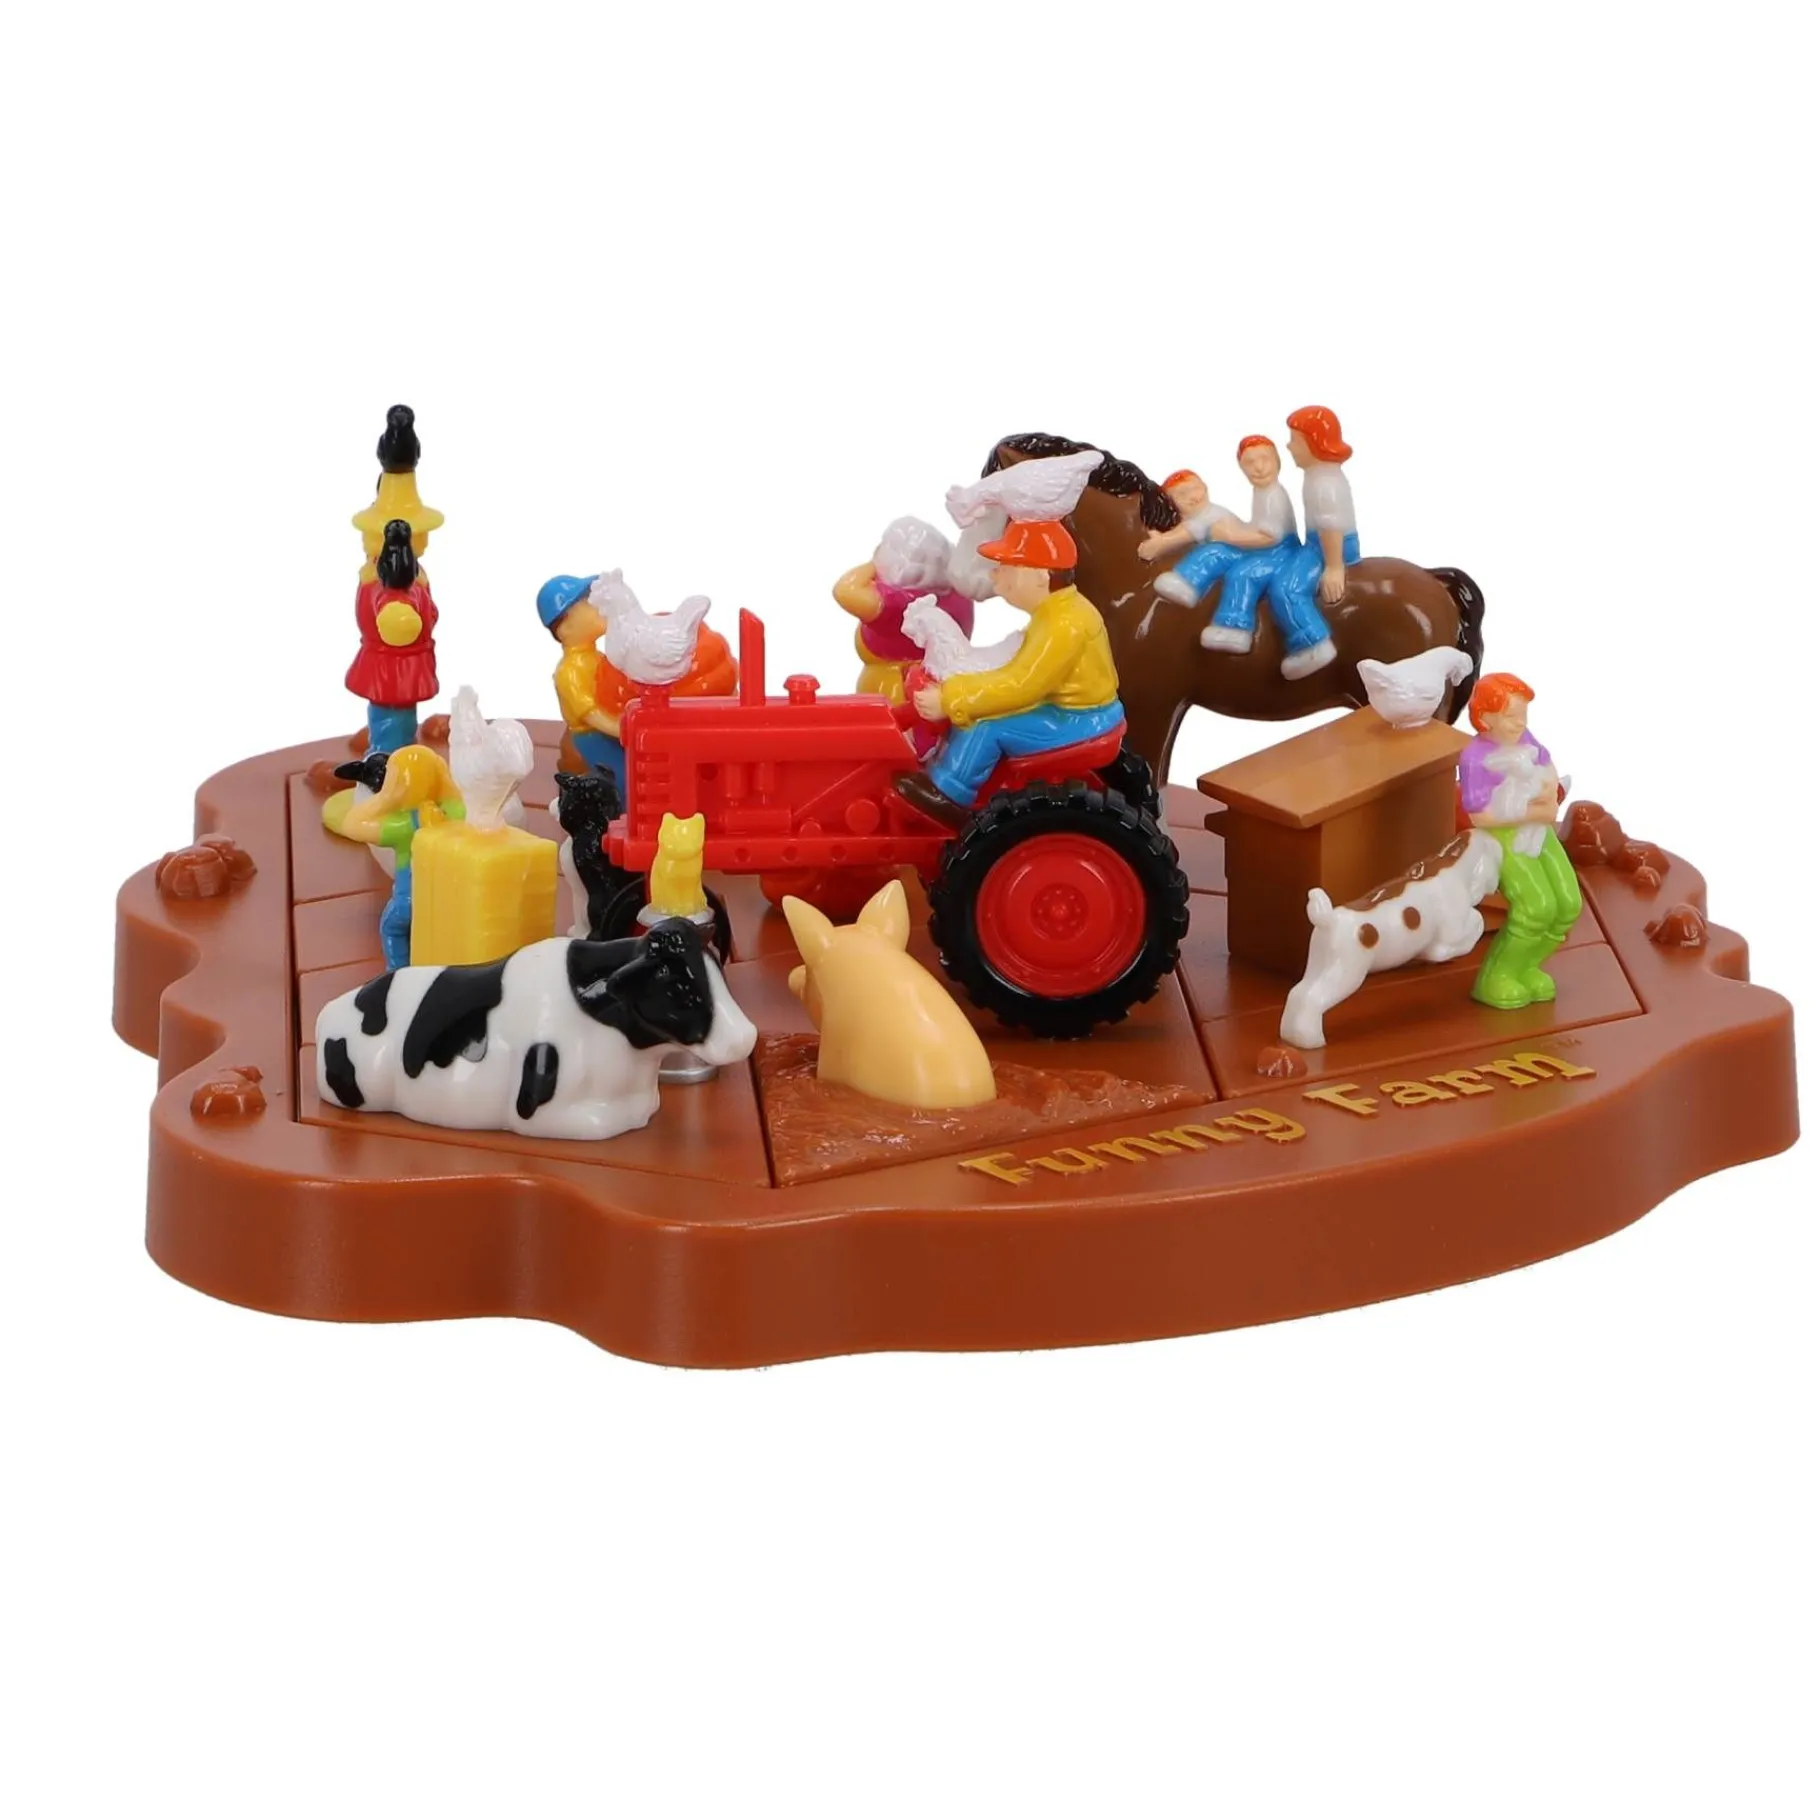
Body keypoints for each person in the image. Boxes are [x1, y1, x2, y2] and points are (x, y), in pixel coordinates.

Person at [893, 516, 1123, 827]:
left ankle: (948, 795)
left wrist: (950, 698)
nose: (995, 573)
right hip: (1077, 710)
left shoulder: (1064, 624)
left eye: (1007, 566)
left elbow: (1022, 685)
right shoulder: (1056, 612)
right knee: (980, 708)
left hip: (1079, 719)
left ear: (1041, 576)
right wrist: (964, 688)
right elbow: (1019, 671)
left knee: (985, 723)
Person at [1457, 673, 1582, 1010]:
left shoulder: (1524, 739)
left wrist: (1544, 801)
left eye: (1523, 715)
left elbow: (1548, 773)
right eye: (1511, 716)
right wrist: (1536, 810)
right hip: (1503, 835)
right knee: (1536, 906)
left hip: (1538, 830)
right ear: (1485, 718)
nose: (1520, 723)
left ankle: (1527, 967)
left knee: (1568, 903)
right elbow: (1480, 816)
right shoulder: (1475, 758)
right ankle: (1497, 976)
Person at [1141, 439, 1299, 652]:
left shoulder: (1269, 496)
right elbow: (1184, 530)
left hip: (1275, 550)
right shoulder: (1261, 493)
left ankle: (1233, 626)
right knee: (1215, 552)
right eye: (1182, 495)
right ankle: (1188, 584)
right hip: (1259, 545)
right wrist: (1163, 539)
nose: (1193, 497)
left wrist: (1161, 544)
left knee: (1231, 566)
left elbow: (1269, 537)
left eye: (1195, 489)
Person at [337, 745, 466, 970]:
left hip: (411, 900)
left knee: (391, 928)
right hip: (453, 900)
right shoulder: (457, 813)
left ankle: (397, 974)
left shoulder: (405, 825)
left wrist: (386, 798)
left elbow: (351, 824)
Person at [833, 516, 978, 704]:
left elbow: (844, 590)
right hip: (942, 682)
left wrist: (874, 563)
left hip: (894, 690)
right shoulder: (957, 591)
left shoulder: (896, 603)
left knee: (890, 722)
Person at [1263, 405, 1357, 680]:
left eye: (1295, 440)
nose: (1289, 447)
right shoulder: (1318, 475)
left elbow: (1331, 526)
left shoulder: (1324, 483)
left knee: (1286, 588)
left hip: (1331, 546)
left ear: (1314, 444)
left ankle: (1313, 643)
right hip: (1320, 542)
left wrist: (1334, 566)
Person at [347, 519, 439, 754]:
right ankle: (388, 757)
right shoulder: (392, 589)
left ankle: (393, 751)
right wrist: (405, 617)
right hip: (395, 667)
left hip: (396, 664)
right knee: (394, 717)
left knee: (397, 715)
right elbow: (398, 624)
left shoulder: (393, 577)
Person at [538, 574, 626, 788]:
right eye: (588, 603)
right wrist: (621, 729)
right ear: (565, 627)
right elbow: (590, 713)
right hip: (593, 737)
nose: (597, 606)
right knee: (624, 776)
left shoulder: (597, 658)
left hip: (608, 733)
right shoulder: (569, 671)